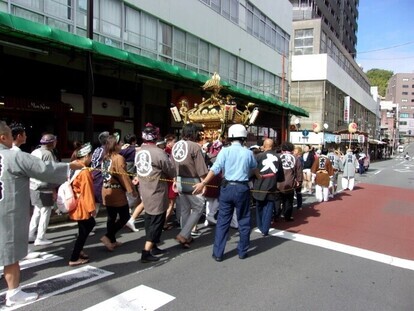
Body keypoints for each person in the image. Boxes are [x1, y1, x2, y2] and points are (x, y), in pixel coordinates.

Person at [0, 121, 83, 307]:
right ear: (3, 138)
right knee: (10, 254)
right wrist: (71, 167)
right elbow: (46, 170)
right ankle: (13, 293)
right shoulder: (13, 156)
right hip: (7, 211)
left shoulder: (25, 153)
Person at [193, 124, 260, 261]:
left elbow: (215, 168)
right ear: (243, 137)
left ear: (230, 137)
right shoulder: (248, 153)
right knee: (243, 220)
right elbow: (255, 169)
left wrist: (203, 183)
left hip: (227, 187)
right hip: (242, 188)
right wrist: (260, 177)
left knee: (223, 221)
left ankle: (218, 253)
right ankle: (242, 251)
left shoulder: (224, 151)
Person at [135, 123, 176, 262]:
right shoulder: (159, 152)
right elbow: (170, 170)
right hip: (156, 189)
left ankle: (153, 246)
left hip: (144, 188)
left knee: (149, 218)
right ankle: (146, 251)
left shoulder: (139, 151)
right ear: (156, 136)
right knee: (157, 221)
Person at [172, 124, 209, 248]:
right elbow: (201, 168)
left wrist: (173, 180)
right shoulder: (194, 146)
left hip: (179, 180)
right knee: (199, 207)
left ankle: (186, 236)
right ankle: (184, 234)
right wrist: (204, 183)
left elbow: (172, 165)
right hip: (193, 181)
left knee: (185, 209)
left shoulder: (176, 145)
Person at [100, 135, 138, 251]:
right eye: (119, 143)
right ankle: (107, 237)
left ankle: (112, 240)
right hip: (116, 191)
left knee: (111, 217)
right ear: (114, 145)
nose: (121, 145)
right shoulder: (118, 158)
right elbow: (123, 176)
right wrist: (132, 190)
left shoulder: (106, 157)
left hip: (106, 189)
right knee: (125, 216)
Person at [68, 142, 97, 266]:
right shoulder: (84, 172)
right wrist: (92, 208)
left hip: (78, 201)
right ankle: (74, 257)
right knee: (87, 227)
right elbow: (87, 191)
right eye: (90, 156)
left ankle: (78, 251)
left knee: (83, 229)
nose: (91, 159)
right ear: (85, 156)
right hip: (82, 204)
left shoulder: (76, 167)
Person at [28, 133, 59, 246]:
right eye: (55, 141)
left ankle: (30, 234)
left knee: (37, 210)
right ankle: (40, 237)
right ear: (51, 142)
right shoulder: (48, 154)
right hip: (44, 186)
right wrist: (54, 189)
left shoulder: (35, 151)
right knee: (45, 212)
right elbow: (51, 172)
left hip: (33, 185)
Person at [252, 138, 284, 236]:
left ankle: (261, 226)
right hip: (271, 184)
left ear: (264, 146)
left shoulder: (258, 156)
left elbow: (253, 170)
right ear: (272, 146)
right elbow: (280, 174)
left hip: (259, 184)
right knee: (269, 206)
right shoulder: (277, 157)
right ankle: (265, 228)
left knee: (259, 206)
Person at [275, 142, 303, 222]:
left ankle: (276, 215)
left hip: (277, 182)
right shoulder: (295, 158)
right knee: (288, 200)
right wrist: (299, 181)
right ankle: (287, 216)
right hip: (289, 182)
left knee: (277, 200)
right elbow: (299, 171)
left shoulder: (278, 156)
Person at [120, 133, 140, 232]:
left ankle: (126, 217)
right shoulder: (133, 149)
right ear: (133, 141)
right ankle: (127, 218)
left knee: (127, 196)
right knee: (133, 197)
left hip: (122, 175)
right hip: (131, 175)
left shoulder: (121, 149)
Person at [292, 146, 303, 210]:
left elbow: (299, 169)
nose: (294, 152)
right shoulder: (294, 158)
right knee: (293, 192)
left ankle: (299, 205)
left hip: (298, 176)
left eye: (295, 151)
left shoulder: (299, 158)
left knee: (298, 192)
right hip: (293, 176)